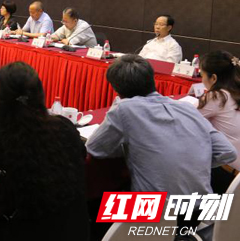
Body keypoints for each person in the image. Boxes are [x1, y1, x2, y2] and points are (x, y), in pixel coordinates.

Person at [86, 55, 236, 235]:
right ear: (152, 80)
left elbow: (94, 148)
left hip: (155, 214)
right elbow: (227, 152)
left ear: (116, 89)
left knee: (94, 208)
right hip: (198, 211)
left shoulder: (124, 109)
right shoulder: (187, 108)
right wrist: (194, 160)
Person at [0, 62, 88, 240]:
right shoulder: (64, 125)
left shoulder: (6, 141)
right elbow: (82, 154)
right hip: (78, 230)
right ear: (39, 94)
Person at [198, 51, 240, 193]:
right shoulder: (235, 92)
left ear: (214, 78)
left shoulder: (217, 96)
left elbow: (189, 120)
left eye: (202, 75)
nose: (201, 80)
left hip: (227, 173)